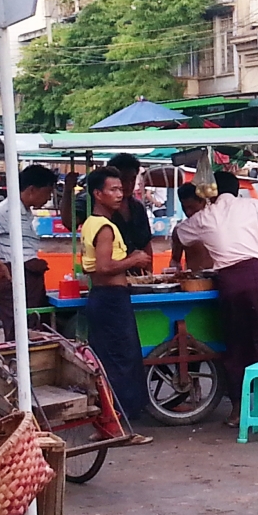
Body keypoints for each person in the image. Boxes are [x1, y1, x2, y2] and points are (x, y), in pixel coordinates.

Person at [176, 169, 258, 425]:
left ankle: (237, 410)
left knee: (236, 345)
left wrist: (173, 259)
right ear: (237, 189)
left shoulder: (205, 215)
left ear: (211, 192)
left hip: (231, 281)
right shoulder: (252, 205)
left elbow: (179, 233)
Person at [80, 167, 154, 432]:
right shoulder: (105, 228)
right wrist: (133, 259)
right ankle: (117, 424)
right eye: (113, 190)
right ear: (98, 194)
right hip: (111, 298)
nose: (119, 194)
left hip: (104, 298)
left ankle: (111, 421)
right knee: (121, 361)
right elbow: (102, 267)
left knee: (112, 360)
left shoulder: (92, 223)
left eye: (121, 189)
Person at [0, 165, 58, 341]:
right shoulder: (7, 210)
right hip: (15, 277)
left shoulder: (25, 211)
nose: (48, 198)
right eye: (47, 193)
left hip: (28, 277)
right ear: (31, 190)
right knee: (20, 335)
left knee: (33, 331)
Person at [107, 154, 154, 268]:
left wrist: (148, 276)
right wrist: (68, 191)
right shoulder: (99, 208)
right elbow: (69, 221)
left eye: (132, 179)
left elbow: (146, 245)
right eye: (123, 179)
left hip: (139, 277)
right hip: (112, 280)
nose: (128, 185)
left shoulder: (138, 208)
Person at [166, 183, 214, 273]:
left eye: (192, 207)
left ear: (203, 202)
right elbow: (175, 261)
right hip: (194, 281)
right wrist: (174, 271)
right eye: (184, 208)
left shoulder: (218, 225)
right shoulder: (179, 231)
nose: (188, 212)